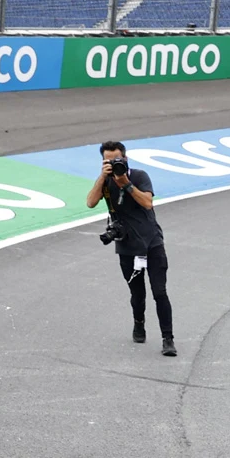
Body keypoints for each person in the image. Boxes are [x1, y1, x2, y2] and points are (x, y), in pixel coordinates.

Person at [85, 141, 175, 356]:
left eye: (118, 159)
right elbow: (90, 202)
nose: (114, 163)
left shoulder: (140, 176)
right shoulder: (105, 182)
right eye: (109, 160)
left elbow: (147, 203)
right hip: (127, 246)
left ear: (125, 158)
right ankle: (139, 323)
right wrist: (102, 177)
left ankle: (168, 339)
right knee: (137, 293)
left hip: (152, 243)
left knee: (160, 292)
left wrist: (125, 183)